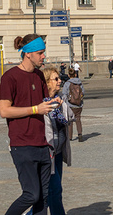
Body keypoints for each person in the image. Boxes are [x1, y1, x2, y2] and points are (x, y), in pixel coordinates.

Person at [0, 34, 59, 215]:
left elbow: (43, 104)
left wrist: (54, 102)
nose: (43, 57)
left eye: (44, 53)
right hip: (22, 144)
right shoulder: (10, 77)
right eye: (40, 53)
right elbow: (4, 111)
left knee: (43, 199)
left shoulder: (39, 75)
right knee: (31, 195)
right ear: (28, 54)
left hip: (42, 143)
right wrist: (35, 110)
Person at [41, 65, 75, 215]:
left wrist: (62, 106)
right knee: (54, 190)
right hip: (48, 154)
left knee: (54, 192)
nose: (59, 81)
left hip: (59, 152)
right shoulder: (41, 103)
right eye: (56, 79)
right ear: (47, 82)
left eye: (59, 78)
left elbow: (70, 118)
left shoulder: (60, 99)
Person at [65, 68, 85, 140]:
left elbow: (64, 94)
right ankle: (80, 134)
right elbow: (83, 93)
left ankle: (70, 137)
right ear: (75, 74)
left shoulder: (67, 83)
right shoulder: (79, 83)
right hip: (79, 105)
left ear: (68, 75)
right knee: (78, 119)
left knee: (70, 121)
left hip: (70, 105)